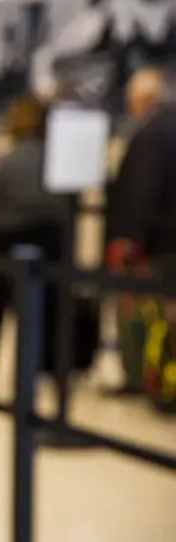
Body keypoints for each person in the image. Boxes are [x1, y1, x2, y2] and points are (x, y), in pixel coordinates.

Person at [0, 96, 66, 390]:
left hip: (5, 242)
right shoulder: (54, 159)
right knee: (48, 306)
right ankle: (45, 369)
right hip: (50, 240)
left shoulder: (7, 160)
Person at [105, 67, 176, 395]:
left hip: (155, 243)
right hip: (166, 239)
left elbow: (143, 191)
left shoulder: (149, 133)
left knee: (144, 313)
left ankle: (146, 380)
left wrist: (133, 240)